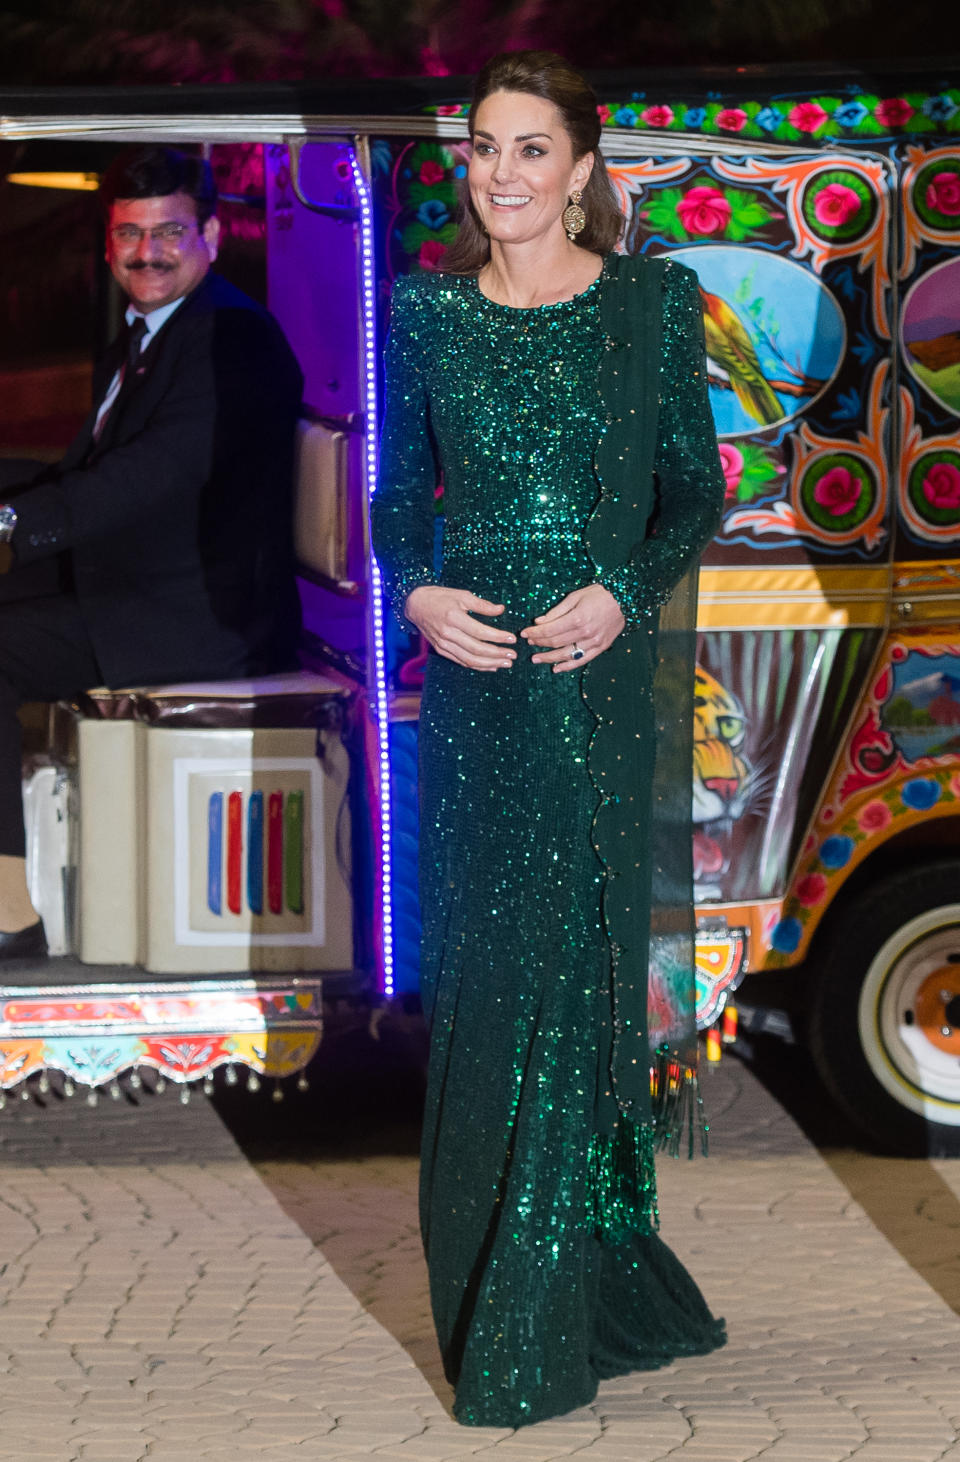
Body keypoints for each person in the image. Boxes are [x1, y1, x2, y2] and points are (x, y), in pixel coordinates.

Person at [371, 50, 728, 1428]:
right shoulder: (427, 313)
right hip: (475, 691)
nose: (502, 175)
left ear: (583, 168)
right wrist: (413, 590)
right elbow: (402, 495)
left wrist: (621, 592)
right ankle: (495, 1285)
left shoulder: (651, 304)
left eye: (532, 150)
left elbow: (690, 494)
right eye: (483, 149)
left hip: (590, 675)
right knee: (479, 986)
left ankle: (535, 1322)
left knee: (565, 981)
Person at [0, 146, 303, 960]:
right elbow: (87, 473)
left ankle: (9, 913)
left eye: (168, 231)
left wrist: (11, 530)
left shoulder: (231, 339)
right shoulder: (144, 335)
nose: (147, 252)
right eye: (129, 235)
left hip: (204, 612)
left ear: (209, 233)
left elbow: (144, 481)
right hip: (145, 577)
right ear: (108, 246)